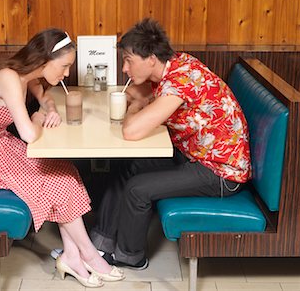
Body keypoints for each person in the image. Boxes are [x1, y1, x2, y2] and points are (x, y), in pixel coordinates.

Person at [0, 28, 124, 287]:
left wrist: (48, 110)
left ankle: (72, 255)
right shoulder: (9, 77)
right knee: (57, 180)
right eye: (64, 66)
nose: (66, 73)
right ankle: (88, 254)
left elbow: (46, 100)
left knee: (65, 170)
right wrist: (38, 118)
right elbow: (30, 134)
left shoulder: (25, 76)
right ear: (44, 59)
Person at [89, 18, 251, 269]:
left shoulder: (180, 81)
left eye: (129, 61)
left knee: (136, 189)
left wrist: (134, 110)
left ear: (151, 59)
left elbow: (132, 130)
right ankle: (99, 245)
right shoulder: (174, 65)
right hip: (193, 156)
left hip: (221, 173)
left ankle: (129, 257)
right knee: (125, 166)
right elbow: (138, 95)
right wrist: (139, 104)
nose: (124, 69)